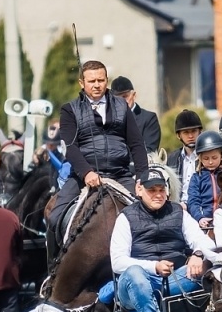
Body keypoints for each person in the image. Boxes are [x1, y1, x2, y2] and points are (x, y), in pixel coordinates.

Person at [47, 59, 148, 251]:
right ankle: (54, 273)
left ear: (106, 80)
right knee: (54, 217)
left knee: (153, 210)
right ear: (81, 83)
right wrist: (86, 173)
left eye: (100, 80)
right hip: (82, 177)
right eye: (91, 81)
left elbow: (136, 143)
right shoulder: (70, 109)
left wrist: (142, 177)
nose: (96, 85)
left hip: (120, 174)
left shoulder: (122, 105)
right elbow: (70, 147)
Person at [110, 167, 220, 312]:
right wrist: (154, 267)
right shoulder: (125, 217)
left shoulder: (179, 213)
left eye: (161, 190)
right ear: (139, 190)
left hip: (173, 281)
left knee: (211, 267)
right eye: (151, 190)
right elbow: (117, 262)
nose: (158, 194)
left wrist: (198, 254)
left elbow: (205, 242)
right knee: (134, 273)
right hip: (135, 287)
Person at [185, 129, 222, 230]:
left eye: (214, 158)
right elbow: (193, 201)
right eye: (206, 158)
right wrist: (199, 217)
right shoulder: (196, 178)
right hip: (205, 222)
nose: (210, 162)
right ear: (200, 158)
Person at [114, 75, 164, 155]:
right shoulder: (108, 119)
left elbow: (149, 150)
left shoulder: (148, 118)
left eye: (125, 97)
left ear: (134, 95)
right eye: (117, 99)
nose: (122, 101)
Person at [172, 108, 204, 204]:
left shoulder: (208, 157)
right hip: (177, 206)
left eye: (194, 131)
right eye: (186, 132)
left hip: (202, 205)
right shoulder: (172, 159)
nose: (190, 136)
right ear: (178, 135)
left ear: (200, 132)